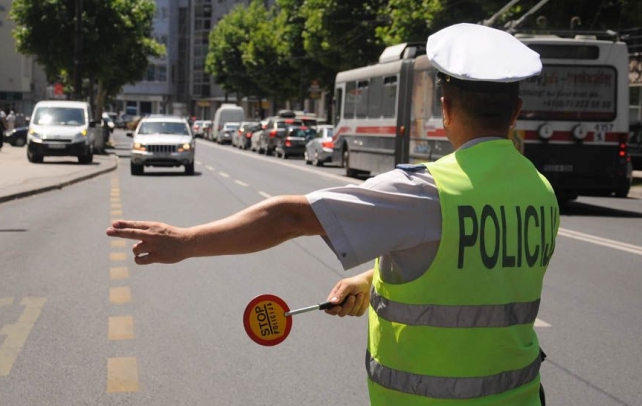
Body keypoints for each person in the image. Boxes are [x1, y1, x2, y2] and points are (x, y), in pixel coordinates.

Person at [106, 23, 558, 406]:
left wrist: (186, 242)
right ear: (516, 112)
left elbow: (289, 217)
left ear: (445, 108)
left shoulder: (427, 192)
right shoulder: (540, 191)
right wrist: (369, 281)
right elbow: (474, 275)